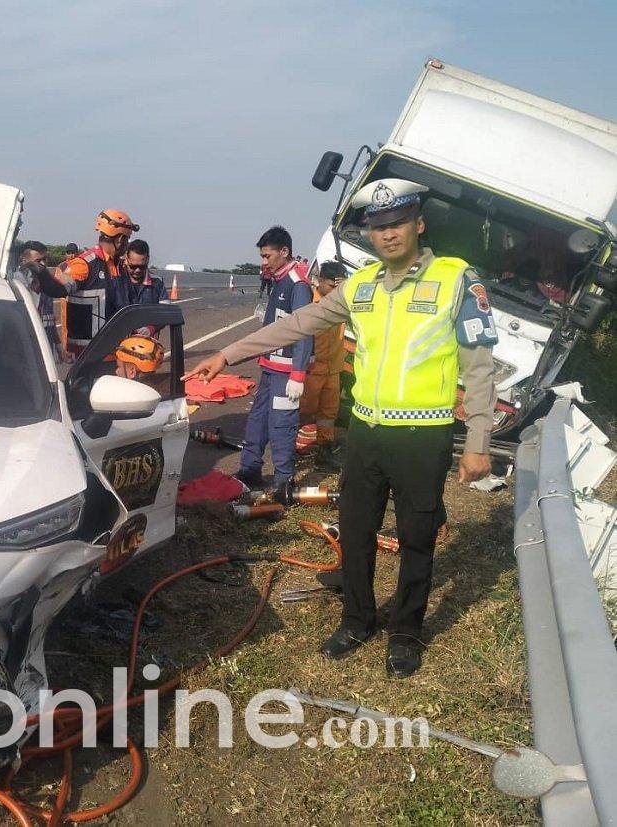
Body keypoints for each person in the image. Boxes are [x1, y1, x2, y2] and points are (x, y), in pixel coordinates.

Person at [183, 178, 498, 677]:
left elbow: (480, 367)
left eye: (397, 223)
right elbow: (296, 324)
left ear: (418, 225)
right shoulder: (363, 285)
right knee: (356, 532)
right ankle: (357, 621)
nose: (389, 234)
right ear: (370, 234)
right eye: (378, 226)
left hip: (424, 436)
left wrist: (478, 442)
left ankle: (406, 632)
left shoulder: (456, 280)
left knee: (417, 537)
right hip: (366, 434)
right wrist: (227, 353)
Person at [233, 226, 313, 495]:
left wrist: (298, 374)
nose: (263, 262)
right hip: (270, 367)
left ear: (284, 252)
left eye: (267, 256)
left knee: (282, 423)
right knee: (257, 420)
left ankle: (283, 481)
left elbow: (304, 329)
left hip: (286, 372)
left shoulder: (297, 284)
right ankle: (250, 469)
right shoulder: (279, 279)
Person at [36, 210, 138, 355]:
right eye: (127, 240)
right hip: (90, 355)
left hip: (116, 351)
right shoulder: (84, 264)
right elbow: (58, 289)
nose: (127, 245)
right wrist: (40, 271)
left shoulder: (120, 267)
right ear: (120, 239)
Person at [296, 260, 348, 468]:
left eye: (339, 286)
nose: (335, 290)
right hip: (312, 370)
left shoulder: (342, 303)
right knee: (304, 411)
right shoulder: (307, 302)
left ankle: (324, 450)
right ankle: (294, 448)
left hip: (333, 369)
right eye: (332, 286)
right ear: (321, 281)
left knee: (329, 412)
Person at [15, 240, 65, 361]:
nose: (43, 264)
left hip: (47, 348)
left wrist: (58, 345)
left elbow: (49, 319)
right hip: (28, 350)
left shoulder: (46, 282)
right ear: (24, 261)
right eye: (38, 261)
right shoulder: (18, 283)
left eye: (45, 259)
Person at [109, 239, 168, 331]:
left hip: (146, 342)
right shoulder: (115, 279)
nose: (137, 270)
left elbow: (165, 312)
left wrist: (151, 328)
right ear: (126, 259)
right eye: (133, 266)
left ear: (147, 260)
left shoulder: (157, 282)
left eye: (142, 267)